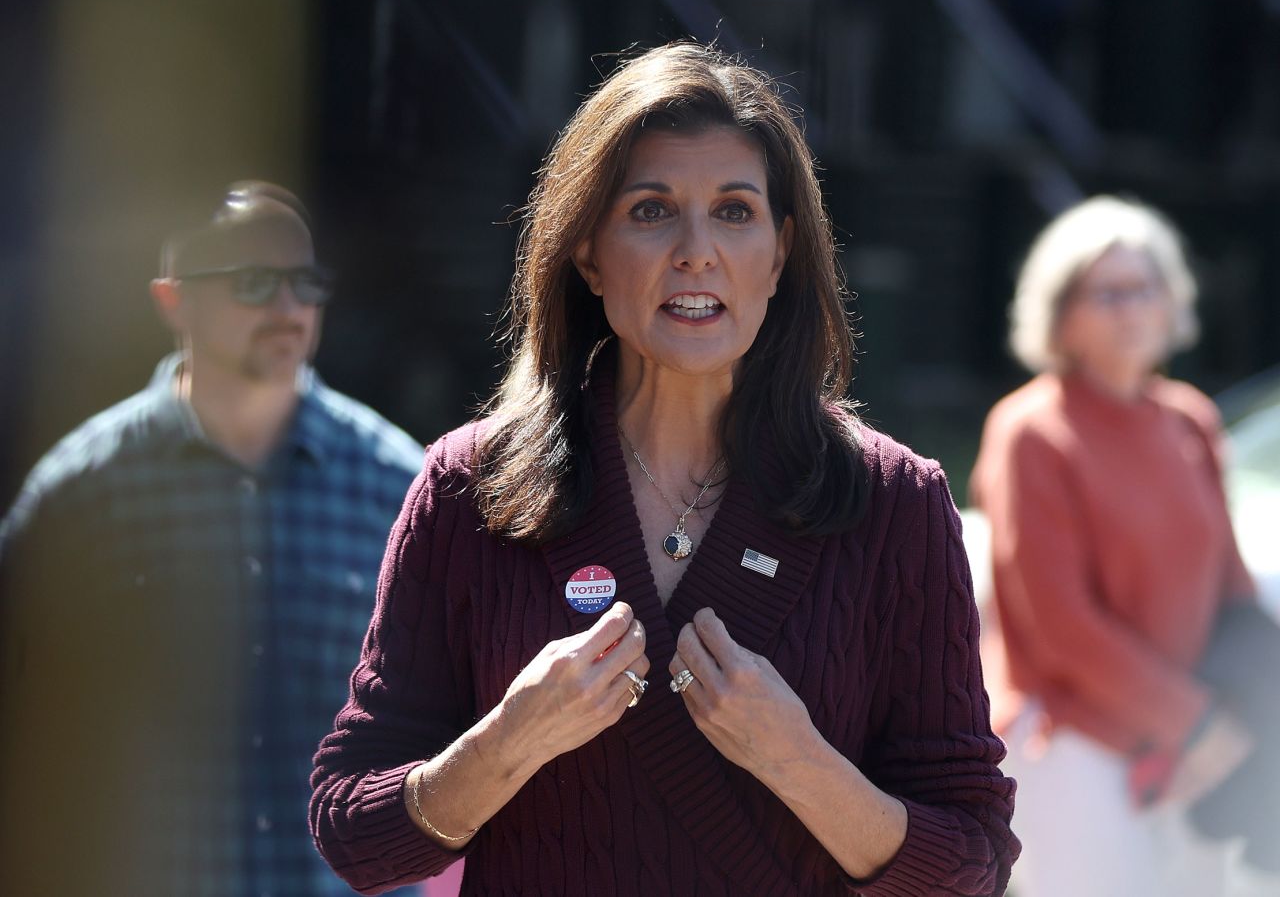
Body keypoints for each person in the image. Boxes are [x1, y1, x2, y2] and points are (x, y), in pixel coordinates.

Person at [309, 43, 1017, 896]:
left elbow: (973, 859)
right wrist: (511, 739)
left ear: (781, 251)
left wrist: (799, 762)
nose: (696, 250)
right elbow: (354, 831)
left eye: (733, 211)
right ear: (587, 253)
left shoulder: (893, 501)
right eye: (651, 211)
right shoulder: (469, 488)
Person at [0, 181, 423, 895]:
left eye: (304, 283)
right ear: (174, 300)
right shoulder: (84, 495)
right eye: (254, 282)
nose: (288, 308)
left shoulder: (399, 488)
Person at [970, 195, 1265, 896]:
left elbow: (1233, 586)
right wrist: (1194, 722)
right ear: (1062, 313)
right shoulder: (1031, 430)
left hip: (1200, 745)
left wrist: (1234, 718)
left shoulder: (1191, 420)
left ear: (1173, 302)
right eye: (1107, 292)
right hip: (1078, 743)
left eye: (1146, 287)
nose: (1132, 307)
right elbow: (1061, 625)